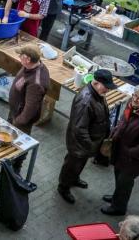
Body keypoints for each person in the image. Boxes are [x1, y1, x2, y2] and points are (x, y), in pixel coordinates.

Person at [101, 84, 139, 216]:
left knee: (125, 183)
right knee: (119, 177)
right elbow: (124, 119)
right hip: (121, 152)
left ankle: (118, 207)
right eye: (134, 95)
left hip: (133, 160)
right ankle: (117, 197)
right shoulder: (133, 103)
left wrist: (130, 153)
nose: (134, 99)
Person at [57, 69, 113, 204]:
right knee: (71, 165)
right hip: (80, 144)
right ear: (96, 83)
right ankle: (63, 187)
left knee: (79, 163)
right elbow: (79, 129)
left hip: (88, 143)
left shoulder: (97, 94)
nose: (108, 91)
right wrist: (91, 145)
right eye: (106, 88)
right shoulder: (86, 100)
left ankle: (74, 179)